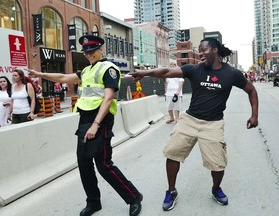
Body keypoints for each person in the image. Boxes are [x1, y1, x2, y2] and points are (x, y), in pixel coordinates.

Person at [130, 37, 258, 211]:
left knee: (218, 164)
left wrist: (254, 116)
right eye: (199, 50)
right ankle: (171, 191)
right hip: (190, 120)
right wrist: (144, 73)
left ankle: (216, 188)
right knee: (172, 153)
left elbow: (251, 90)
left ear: (215, 50)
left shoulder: (232, 73)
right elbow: (167, 71)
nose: (200, 53)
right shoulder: (194, 69)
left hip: (213, 123)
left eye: (203, 49)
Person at [26, 34, 143, 216]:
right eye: (86, 52)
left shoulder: (109, 69)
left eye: (92, 51)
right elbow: (63, 77)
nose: (89, 54)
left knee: (104, 164)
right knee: (84, 164)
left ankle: (133, 197)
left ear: (100, 49)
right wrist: (39, 74)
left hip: (101, 121)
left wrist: (96, 124)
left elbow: (109, 98)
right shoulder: (87, 70)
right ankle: (93, 203)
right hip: (84, 120)